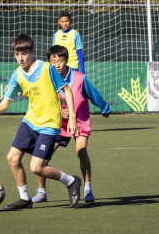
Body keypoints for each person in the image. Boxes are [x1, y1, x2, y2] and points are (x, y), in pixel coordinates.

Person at [0, 33, 82, 210]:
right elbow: (5, 104)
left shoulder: (46, 68)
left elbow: (66, 89)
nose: (20, 58)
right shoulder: (17, 75)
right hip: (29, 122)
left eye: (24, 53)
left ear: (32, 52)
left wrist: (73, 117)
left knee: (36, 167)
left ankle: (71, 181)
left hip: (49, 125)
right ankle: (25, 198)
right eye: (17, 54)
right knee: (12, 158)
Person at [31, 45, 111, 204]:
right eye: (53, 61)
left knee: (81, 151)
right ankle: (41, 192)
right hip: (57, 125)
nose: (57, 65)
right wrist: (60, 112)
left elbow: (93, 95)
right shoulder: (47, 78)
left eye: (60, 61)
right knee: (42, 159)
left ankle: (87, 188)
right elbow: (43, 102)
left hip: (79, 122)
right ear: (49, 62)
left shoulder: (80, 78)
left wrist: (104, 107)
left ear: (67, 61)